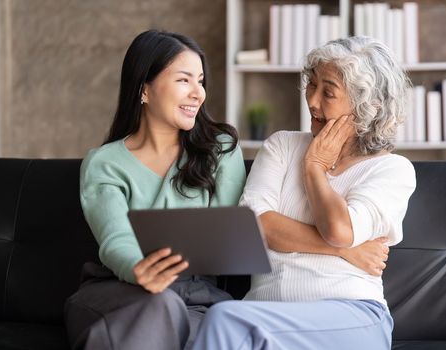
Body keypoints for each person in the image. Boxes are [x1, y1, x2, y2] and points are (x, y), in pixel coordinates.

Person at [190, 36, 417, 350]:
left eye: (328, 92)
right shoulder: (281, 146)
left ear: (366, 107)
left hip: (352, 315)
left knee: (224, 319)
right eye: (312, 85)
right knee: (232, 321)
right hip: (265, 314)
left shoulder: (392, 170)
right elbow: (256, 226)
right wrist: (343, 251)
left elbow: (339, 229)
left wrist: (314, 167)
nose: (312, 101)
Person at [63, 30, 246, 350]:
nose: (198, 93)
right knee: (160, 307)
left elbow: (227, 237)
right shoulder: (105, 163)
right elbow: (115, 237)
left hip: (196, 298)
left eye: (200, 81)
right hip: (118, 291)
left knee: (194, 323)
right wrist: (140, 269)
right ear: (144, 89)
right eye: (184, 80)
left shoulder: (221, 150)